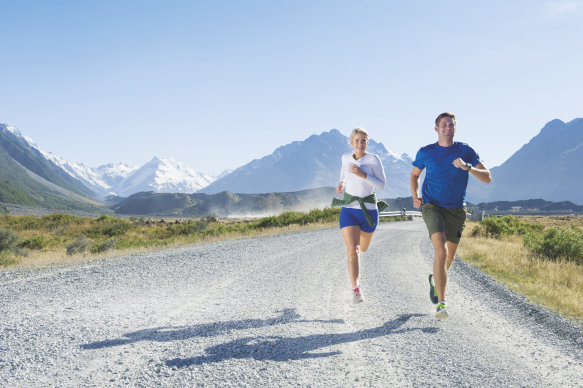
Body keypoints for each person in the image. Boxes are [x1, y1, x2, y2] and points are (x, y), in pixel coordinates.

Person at [410, 112, 491, 319]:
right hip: (432, 206)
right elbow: (415, 175)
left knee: (449, 256)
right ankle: (441, 304)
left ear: (455, 128)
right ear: (436, 128)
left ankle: (434, 280)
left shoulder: (465, 151)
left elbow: (488, 178)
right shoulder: (426, 152)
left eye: (451, 125)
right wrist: (415, 195)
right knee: (442, 250)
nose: (448, 128)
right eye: (444, 125)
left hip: (456, 209)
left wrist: (468, 167)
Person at [332, 127, 387, 304]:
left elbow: (381, 185)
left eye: (363, 141)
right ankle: (356, 289)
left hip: (369, 211)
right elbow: (343, 174)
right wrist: (341, 183)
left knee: (362, 248)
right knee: (353, 249)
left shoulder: (373, 159)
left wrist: (364, 175)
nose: (360, 144)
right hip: (349, 210)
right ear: (351, 142)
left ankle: (356, 284)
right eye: (356, 140)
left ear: (367, 142)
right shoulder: (345, 158)